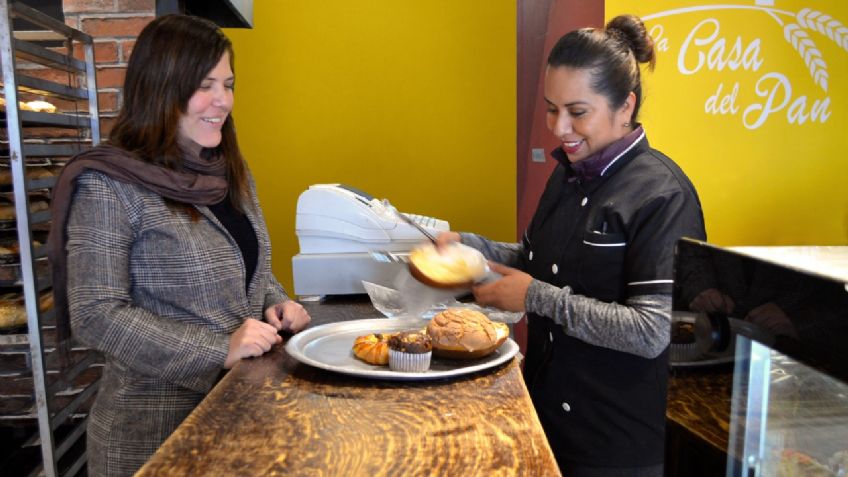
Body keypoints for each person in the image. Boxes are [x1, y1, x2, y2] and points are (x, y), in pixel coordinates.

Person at [437, 14, 706, 476]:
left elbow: (651, 331)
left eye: (577, 112)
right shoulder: (566, 174)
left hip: (615, 443)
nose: (558, 128)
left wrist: (535, 298)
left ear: (626, 107)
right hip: (546, 417)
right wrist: (470, 248)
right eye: (550, 108)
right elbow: (539, 261)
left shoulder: (664, 195)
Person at [47, 14, 311, 476]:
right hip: (151, 434)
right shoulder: (109, 183)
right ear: (161, 87)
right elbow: (95, 313)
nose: (222, 101)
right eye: (204, 85)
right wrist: (218, 349)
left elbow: (251, 267)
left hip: (236, 417)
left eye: (228, 84)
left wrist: (276, 301)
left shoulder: (227, 169)